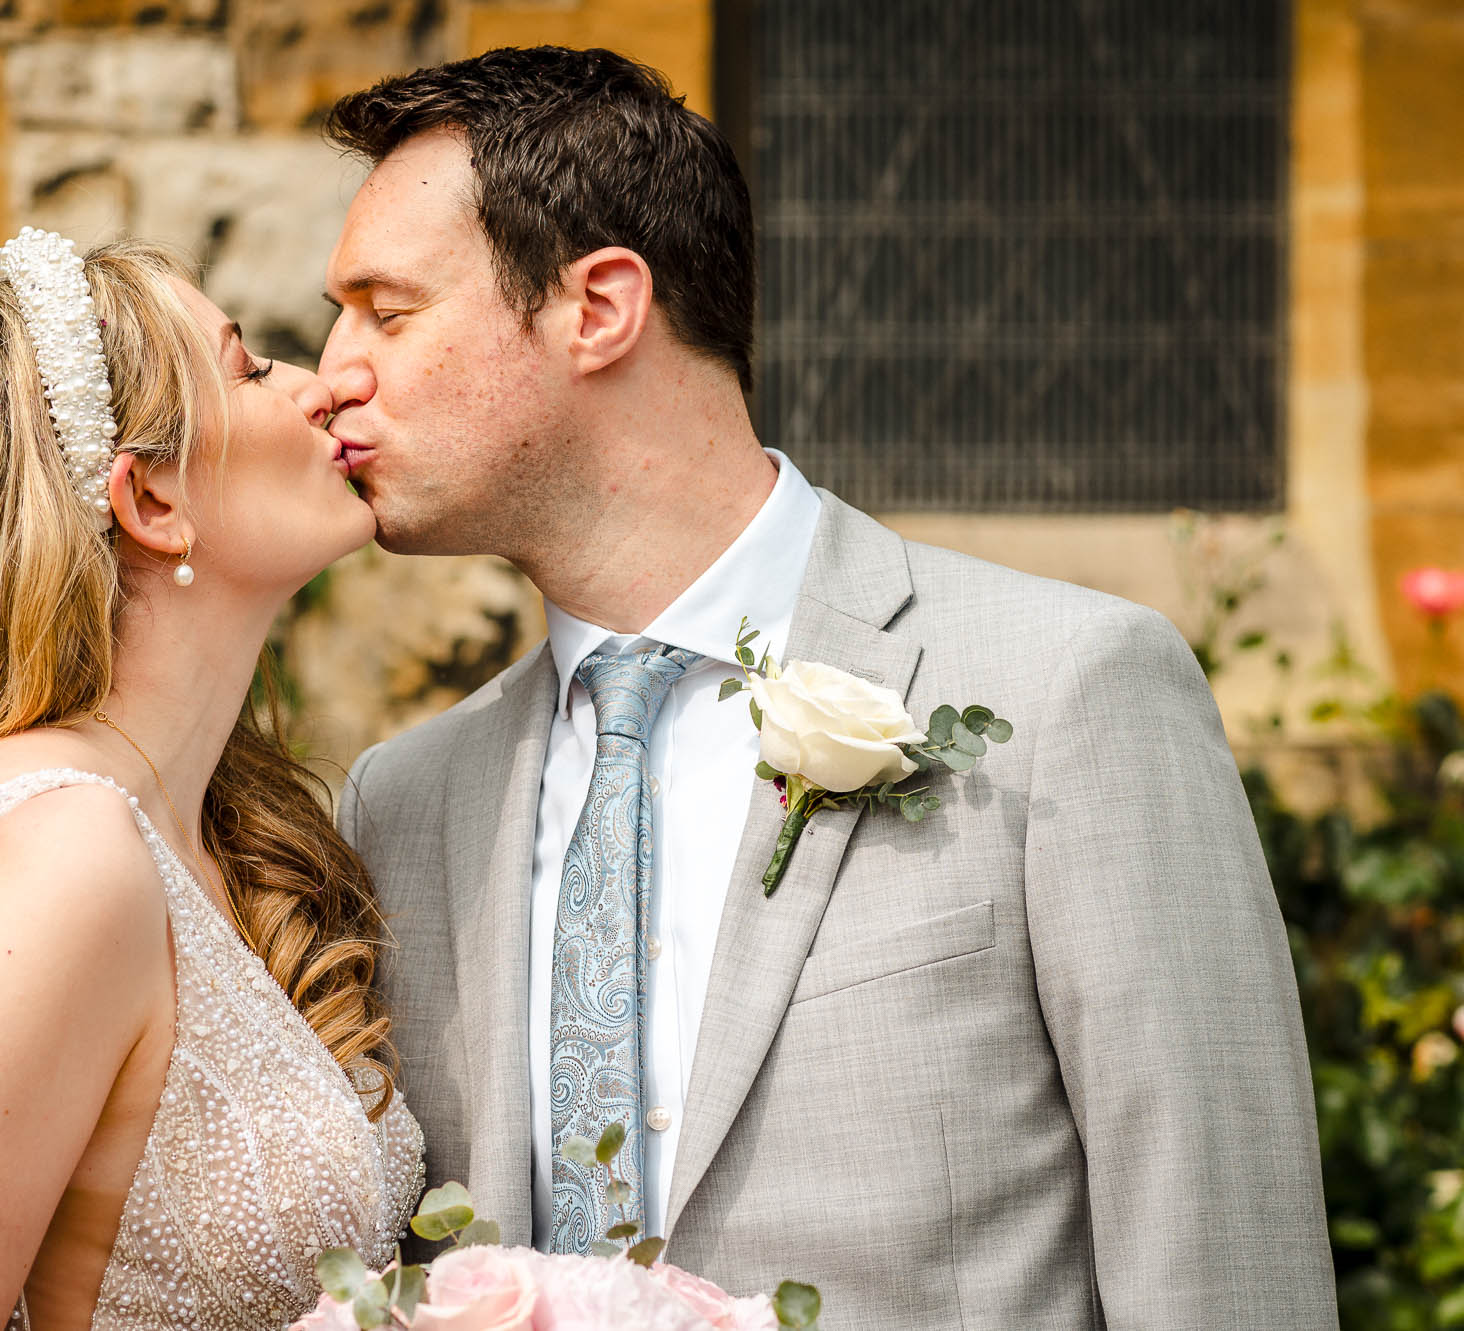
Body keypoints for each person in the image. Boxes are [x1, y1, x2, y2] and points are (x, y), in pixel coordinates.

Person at [320, 46, 1337, 1327]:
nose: (330, 374)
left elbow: (1224, 1267)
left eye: (385, 310)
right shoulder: (400, 802)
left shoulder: (1069, 693)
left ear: (598, 308)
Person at [0, 232, 423, 1330]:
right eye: (248, 368)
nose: (317, 387)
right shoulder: (57, 860)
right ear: (153, 499)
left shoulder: (197, 833)